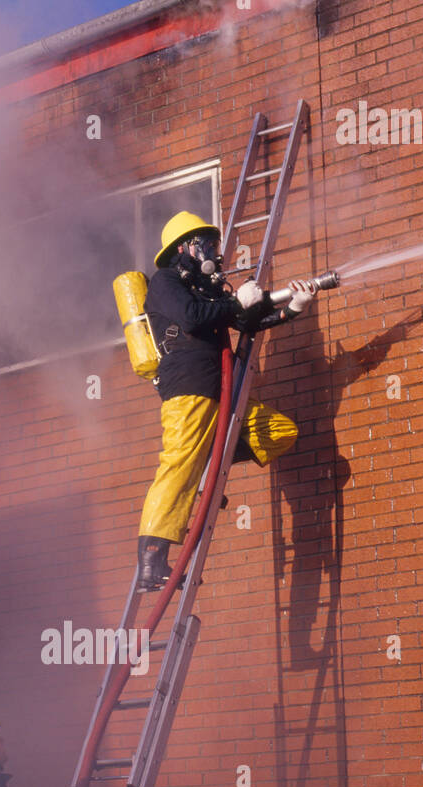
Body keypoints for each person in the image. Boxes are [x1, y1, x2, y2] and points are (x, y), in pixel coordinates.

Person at [137, 211, 314, 592]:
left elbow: (246, 325)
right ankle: (152, 563)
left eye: (213, 244)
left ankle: (208, 466)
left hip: (224, 389)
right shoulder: (165, 282)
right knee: (178, 466)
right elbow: (192, 316)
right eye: (204, 244)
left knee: (280, 431)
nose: (212, 252)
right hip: (188, 388)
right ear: (182, 249)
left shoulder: (209, 290)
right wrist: (235, 304)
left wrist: (291, 309)